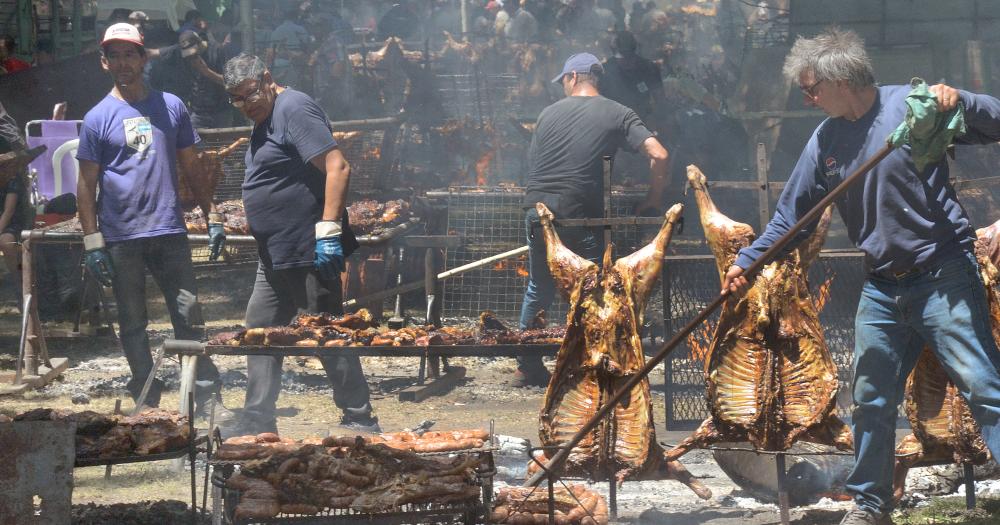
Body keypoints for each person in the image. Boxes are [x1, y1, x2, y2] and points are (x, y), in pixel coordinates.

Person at [720, 28, 1000, 525]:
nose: (806, 99)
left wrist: (964, 101)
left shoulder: (912, 107)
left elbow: (994, 121)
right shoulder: (826, 138)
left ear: (842, 80)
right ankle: (871, 507)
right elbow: (792, 217)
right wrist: (749, 259)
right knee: (871, 399)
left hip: (943, 276)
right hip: (883, 288)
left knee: (983, 389)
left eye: (811, 88)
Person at [75, 23, 231, 417]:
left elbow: (192, 166)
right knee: (132, 324)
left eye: (130, 54)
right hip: (122, 236)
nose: (123, 62)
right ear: (104, 62)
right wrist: (92, 241)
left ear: (143, 58)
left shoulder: (171, 106)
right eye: (115, 55)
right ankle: (148, 396)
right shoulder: (97, 117)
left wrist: (212, 212)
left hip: (168, 230)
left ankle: (207, 397)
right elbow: (85, 183)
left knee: (189, 315)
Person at [220, 53, 381, 436]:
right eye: (238, 100)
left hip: (308, 250)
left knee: (326, 334)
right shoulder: (265, 118)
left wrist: (327, 231)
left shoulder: (293, 107)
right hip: (274, 255)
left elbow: (337, 166)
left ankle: (360, 420)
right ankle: (258, 420)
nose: (247, 105)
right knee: (259, 331)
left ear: (267, 78)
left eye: (251, 94)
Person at [516, 52, 669, 387]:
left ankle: (526, 365)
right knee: (592, 287)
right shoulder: (618, 112)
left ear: (572, 77)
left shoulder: (545, 114)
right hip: (580, 214)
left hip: (537, 209)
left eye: (563, 82)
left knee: (538, 286)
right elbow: (659, 154)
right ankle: (591, 360)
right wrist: (653, 199)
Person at [601, 30, 663, 120]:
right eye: (621, 56)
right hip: (613, 120)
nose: (626, 60)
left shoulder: (649, 68)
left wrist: (657, 119)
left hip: (643, 120)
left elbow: (660, 99)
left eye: (629, 55)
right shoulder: (604, 71)